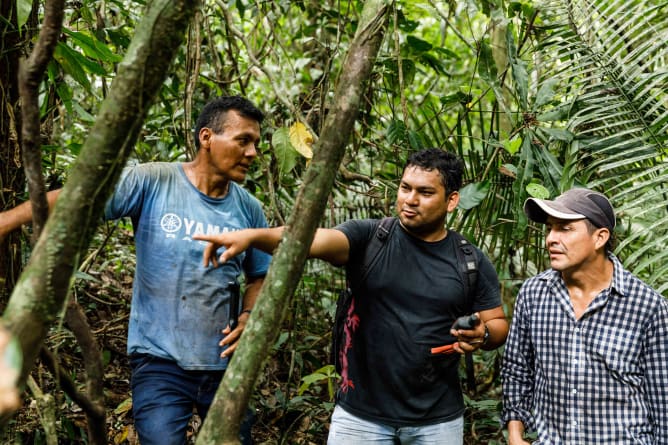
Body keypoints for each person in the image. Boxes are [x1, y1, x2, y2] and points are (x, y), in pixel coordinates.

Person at [0, 96, 272, 445]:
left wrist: (249, 316)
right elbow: (82, 198)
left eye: (256, 143)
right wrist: (8, 221)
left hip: (225, 365)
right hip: (159, 362)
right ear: (207, 137)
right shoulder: (154, 181)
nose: (252, 153)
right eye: (243, 140)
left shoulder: (249, 210)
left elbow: (259, 274)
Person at [193, 148, 509, 444]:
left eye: (425, 193)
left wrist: (481, 335)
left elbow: (496, 324)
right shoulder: (370, 238)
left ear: (451, 201)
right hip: (360, 417)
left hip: (437, 420)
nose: (410, 199)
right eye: (405, 188)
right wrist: (254, 236)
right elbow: (311, 241)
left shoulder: (469, 260)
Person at [501, 188, 668, 444]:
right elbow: (517, 369)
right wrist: (515, 433)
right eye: (549, 228)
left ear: (600, 237)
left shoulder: (647, 306)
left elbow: (663, 398)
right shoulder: (534, 294)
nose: (550, 239)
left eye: (564, 229)